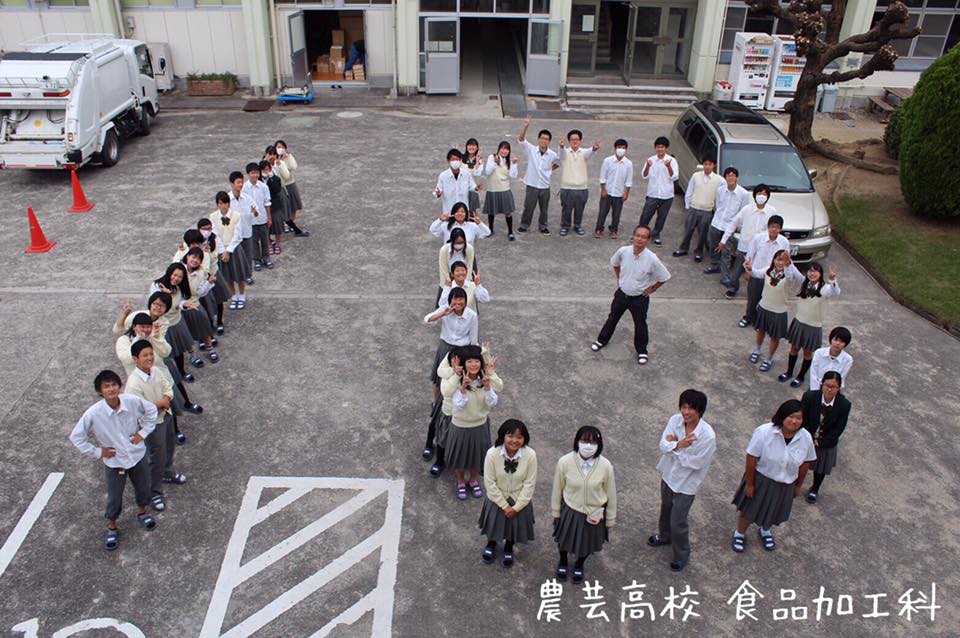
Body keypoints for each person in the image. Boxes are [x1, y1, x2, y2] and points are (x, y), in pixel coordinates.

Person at [69, 370, 159, 550]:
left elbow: (151, 410)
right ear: (100, 391)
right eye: (106, 386)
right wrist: (98, 452)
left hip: (137, 455)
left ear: (119, 386)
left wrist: (142, 433)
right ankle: (112, 525)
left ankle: (142, 512)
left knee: (143, 486)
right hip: (115, 462)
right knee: (114, 495)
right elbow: (76, 437)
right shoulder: (93, 413)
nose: (111, 389)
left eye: (114, 385)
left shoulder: (131, 401)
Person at [731, 399, 817, 553]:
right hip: (762, 479)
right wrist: (750, 484)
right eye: (791, 416)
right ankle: (740, 534)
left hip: (786, 483)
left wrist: (798, 485)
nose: (794, 421)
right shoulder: (764, 432)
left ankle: (765, 531)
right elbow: (751, 458)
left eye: (799, 418)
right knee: (749, 510)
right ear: (782, 416)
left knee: (774, 511)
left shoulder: (805, 437)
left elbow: (805, 463)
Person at [647, 389, 716, 572]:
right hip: (669, 475)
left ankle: (682, 553)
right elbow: (663, 446)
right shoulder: (674, 421)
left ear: (700, 411)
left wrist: (675, 448)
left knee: (678, 521)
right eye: (683, 407)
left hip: (687, 484)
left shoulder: (707, 436)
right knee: (665, 509)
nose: (686, 412)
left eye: (691, 408)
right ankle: (664, 536)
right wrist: (679, 445)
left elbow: (696, 463)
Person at [590, 225, 671, 365]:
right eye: (637, 235)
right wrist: (619, 279)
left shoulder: (652, 258)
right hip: (622, 295)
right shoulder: (623, 251)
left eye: (643, 237)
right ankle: (601, 340)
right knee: (612, 318)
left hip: (640, 299)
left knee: (640, 324)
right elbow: (615, 264)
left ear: (648, 240)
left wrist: (652, 289)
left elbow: (664, 277)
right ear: (633, 236)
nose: (639, 239)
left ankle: (642, 351)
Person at [124, 340, 185, 513]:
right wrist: (160, 403)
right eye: (145, 355)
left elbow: (168, 387)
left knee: (169, 446)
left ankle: (167, 472)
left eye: (151, 354)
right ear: (135, 359)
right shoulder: (133, 384)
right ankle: (154, 492)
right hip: (152, 425)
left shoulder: (156, 371)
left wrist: (166, 399)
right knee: (155, 457)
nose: (149, 358)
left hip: (165, 416)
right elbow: (138, 410)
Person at [550, 426, 616, 584]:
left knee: (586, 543)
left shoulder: (606, 466)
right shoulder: (565, 462)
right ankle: (563, 561)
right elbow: (557, 488)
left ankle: (579, 564)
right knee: (564, 540)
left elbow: (611, 493)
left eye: (593, 442)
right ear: (577, 442)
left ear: (599, 445)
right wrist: (556, 511)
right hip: (571, 510)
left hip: (594, 513)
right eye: (584, 441)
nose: (588, 446)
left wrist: (610, 518)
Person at [440, 345, 502, 501]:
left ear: (481, 362)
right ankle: (461, 481)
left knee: (477, 455)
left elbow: (494, 399)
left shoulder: (485, 378)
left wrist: (488, 384)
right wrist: (461, 386)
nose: (473, 365)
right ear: (463, 363)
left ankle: (474, 480)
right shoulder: (455, 378)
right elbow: (455, 402)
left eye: (476, 361)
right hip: (460, 425)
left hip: (480, 425)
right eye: (469, 361)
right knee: (459, 456)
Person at [479, 419, 537, 568]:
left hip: (519, 499)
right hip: (497, 498)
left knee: (513, 527)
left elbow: (529, 484)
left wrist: (517, 507)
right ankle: (491, 543)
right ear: (503, 436)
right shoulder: (492, 454)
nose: (514, 441)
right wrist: (505, 506)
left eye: (519, 437)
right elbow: (490, 483)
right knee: (494, 523)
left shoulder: (530, 455)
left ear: (524, 438)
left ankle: (508, 547)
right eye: (510, 436)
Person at [780, 264, 840, 387]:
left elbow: (835, 292)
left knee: (807, 353)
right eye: (810, 271)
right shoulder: (804, 283)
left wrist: (833, 280)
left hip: (813, 326)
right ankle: (789, 372)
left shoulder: (825, 289)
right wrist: (789, 263)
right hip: (799, 322)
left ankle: (800, 376)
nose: (812, 273)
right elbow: (795, 273)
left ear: (820, 274)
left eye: (815, 271)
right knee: (794, 349)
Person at [748, 249, 804, 372]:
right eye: (778, 259)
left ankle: (769, 358)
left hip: (779, 311)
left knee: (775, 336)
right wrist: (749, 268)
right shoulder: (768, 270)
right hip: (764, 307)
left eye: (783, 260)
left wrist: (789, 264)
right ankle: (757, 350)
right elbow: (756, 273)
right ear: (774, 260)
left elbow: (792, 277)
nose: (780, 262)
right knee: (760, 331)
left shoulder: (788, 274)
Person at [801, 371, 851, 504]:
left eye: (833, 387)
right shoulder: (810, 396)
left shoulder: (844, 405)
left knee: (821, 467)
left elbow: (839, 428)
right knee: (798, 462)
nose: (829, 389)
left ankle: (815, 488)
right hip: (807, 436)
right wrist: (809, 438)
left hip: (826, 442)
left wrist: (821, 442)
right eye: (827, 385)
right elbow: (803, 418)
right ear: (822, 384)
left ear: (839, 388)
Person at [721, 184, 777, 300]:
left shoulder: (772, 212)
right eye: (759, 193)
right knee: (736, 271)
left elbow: (774, 229)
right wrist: (723, 240)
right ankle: (733, 288)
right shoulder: (746, 209)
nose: (761, 196)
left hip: (761, 249)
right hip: (744, 247)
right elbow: (733, 223)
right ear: (755, 195)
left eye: (764, 194)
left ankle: (759, 293)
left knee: (759, 273)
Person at [424, 287, 479, 402]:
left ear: (465, 301)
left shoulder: (472, 315)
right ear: (450, 300)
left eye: (461, 299)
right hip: (445, 348)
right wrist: (443, 314)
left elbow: (473, 340)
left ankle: (455, 403)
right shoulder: (445, 309)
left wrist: (474, 357)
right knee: (439, 379)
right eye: (455, 299)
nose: (458, 302)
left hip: (461, 351)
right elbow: (427, 320)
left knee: (457, 380)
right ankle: (436, 404)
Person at [741, 214, 789, 329]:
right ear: (768, 227)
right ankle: (748, 317)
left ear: (780, 229)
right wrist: (747, 271)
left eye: (777, 227)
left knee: (767, 301)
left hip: (772, 277)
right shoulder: (758, 238)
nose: (774, 229)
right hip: (756, 274)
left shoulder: (784, 242)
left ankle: (761, 321)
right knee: (753, 299)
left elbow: (786, 260)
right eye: (772, 226)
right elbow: (750, 255)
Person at [673, 156, 724, 262]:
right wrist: (688, 206)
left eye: (710, 164)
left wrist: (717, 211)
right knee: (688, 230)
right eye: (705, 164)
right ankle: (683, 248)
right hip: (693, 208)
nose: (707, 167)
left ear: (713, 166)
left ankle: (699, 252)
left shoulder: (719, 180)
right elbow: (689, 190)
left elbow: (720, 197)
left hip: (707, 211)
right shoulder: (696, 176)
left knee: (703, 234)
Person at [517, 115, 560, 234]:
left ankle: (543, 226)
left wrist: (550, 170)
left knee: (544, 209)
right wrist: (526, 126)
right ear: (538, 139)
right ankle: (524, 225)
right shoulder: (531, 150)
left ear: (549, 141)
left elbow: (559, 162)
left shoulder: (552, 154)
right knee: (528, 207)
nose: (544, 140)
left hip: (545, 186)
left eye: (546, 139)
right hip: (532, 184)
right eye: (542, 138)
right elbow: (521, 139)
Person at [705, 167, 750, 278]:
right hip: (716, 223)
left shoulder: (743, 194)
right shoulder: (720, 190)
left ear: (737, 178)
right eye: (728, 175)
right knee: (713, 246)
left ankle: (725, 275)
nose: (730, 178)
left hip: (729, 226)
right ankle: (714, 265)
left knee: (726, 251)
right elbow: (718, 205)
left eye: (733, 175)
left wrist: (736, 226)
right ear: (725, 178)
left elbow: (743, 211)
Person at [210, 190, 250, 310]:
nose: (223, 206)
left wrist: (228, 251)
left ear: (229, 203)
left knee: (239, 274)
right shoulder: (213, 217)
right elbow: (215, 236)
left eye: (225, 203)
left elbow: (238, 235)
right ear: (217, 204)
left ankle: (242, 295)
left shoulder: (236, 215)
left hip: (235, 249)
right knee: (228, 276)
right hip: (221, 250)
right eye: (220, 203)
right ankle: (234, 296)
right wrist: (223, 251)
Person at [557, 129, 600, 236]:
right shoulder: (565, 152)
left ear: (580, 140)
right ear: (569, 141)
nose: (575, 141)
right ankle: (565, 226)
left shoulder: (583, 152)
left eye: (577, 139)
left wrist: (594, 148)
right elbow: (561, 154)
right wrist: (561, 146)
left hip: (582, 188)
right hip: (567, 187)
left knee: (579, 209)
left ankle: (577, 225)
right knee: (566, 210)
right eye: (572, 139)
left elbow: (590, 151)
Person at [638, 136, 678, 246]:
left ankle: (656, 234)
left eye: (662, 147)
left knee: (662, 217)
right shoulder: (651, 160)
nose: (660, 149)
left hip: (667, 195)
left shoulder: (672, 161)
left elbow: (674, 177)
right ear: (655, 148)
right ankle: (641, 234)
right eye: (658, 147)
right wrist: (648, 166)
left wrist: (668, 167)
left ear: (666, 148)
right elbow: (644, 176)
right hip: (653, 193)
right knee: (646, 215)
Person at [593, 139, 633, 239]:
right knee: (602, 212)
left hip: (619, 193)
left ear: (626, 149)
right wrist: (603, 190)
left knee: (617, 213)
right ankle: (599, 229)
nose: (621, 149)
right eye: (619, 147)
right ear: (615, 148)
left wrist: (626, 193)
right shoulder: (607, 161)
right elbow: (603, 177)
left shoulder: (628, 164)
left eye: (623, 148)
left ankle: (614, 229)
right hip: (607, 192)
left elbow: (628, 181)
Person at [482, 141, 519, 240]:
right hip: (492, 189)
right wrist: (495, 162)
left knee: (508, 212)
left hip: (504, 189)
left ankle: (510, 232)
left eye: (506, 149)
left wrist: (514, 164)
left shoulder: (509, 161)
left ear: (509, 151)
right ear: (498, 149)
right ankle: (490, 230)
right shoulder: (492, 157)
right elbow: (487, 172)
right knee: (491, 211)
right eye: (502, 148)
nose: (504, 151)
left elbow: (513, 175)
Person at [228, 171, 258, 286]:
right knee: (236, 257)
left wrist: (255, 212)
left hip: (246, 232)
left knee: (248, 256)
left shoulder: (247, 198)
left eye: (241, 182)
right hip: (233, 235)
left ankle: (248, 275)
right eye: (238, 182)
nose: (240, 185)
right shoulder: (227, 199)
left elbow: (256, 210)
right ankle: (237, 276)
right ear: (232, 184)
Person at [242, 162, 273, 272]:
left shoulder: (263, 187)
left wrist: (269, 217)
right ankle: (256, 260)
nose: (255, 175)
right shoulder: (244, 188)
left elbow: (267, 203)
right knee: (253, 242)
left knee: (265, 240)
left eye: (257, 173)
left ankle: (266, 258)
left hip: (262, 218)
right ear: (248, 174)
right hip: (251, 220)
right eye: (252, 173)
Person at [274, 140, 310, 236]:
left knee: (293, 206)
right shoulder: (274, 158)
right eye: (278, 147)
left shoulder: (288, 157)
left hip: (290, 184)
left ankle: (291, 224)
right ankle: (285, 224)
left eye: (282, 147)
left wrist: (288, 156)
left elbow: (293, 167)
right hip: (280, 186)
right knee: (283, 207)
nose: (280, 149)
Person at [264, 146, 292, 256]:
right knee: (265, 223)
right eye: (269, 154)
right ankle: (269, 243)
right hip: (265, 198)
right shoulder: (262, 166)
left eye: (273, 154)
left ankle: (278, 244)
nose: (271, 157)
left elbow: (286, 176)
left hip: (277, 195)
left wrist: (279, 164)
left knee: (278, 220)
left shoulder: (278, 165)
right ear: (266, 154)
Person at [435, 149, 478, 216]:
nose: (455, 161)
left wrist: (476, 188)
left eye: (457, 159)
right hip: (449, 210)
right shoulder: (443, 176)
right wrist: (438, 194)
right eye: (453, 159)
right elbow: (438, 190)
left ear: (460, 161)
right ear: (448, 161)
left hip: (463, 211)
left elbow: (472, 186)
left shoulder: (466, 174)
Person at [808, 327, 853, 391]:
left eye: (841, 341)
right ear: (831, 339)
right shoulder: (819, 353)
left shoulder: (848, 360)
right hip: (817, 386)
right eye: (835, 340)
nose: (837, 343)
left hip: (834, 389)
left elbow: (841, 378)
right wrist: (815, 391)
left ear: (845, 344)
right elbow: (813, 374)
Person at [461, 137, 485, 215]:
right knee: (460, 210)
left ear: (477, 148)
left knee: (472, 212)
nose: (471, 147)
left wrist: (477, 161)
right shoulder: (461, 158)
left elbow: (477, 173)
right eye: (469, 145)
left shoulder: (479, 161)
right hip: (461, 187)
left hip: (472, 188)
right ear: (466, 147)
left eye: (473, 145)